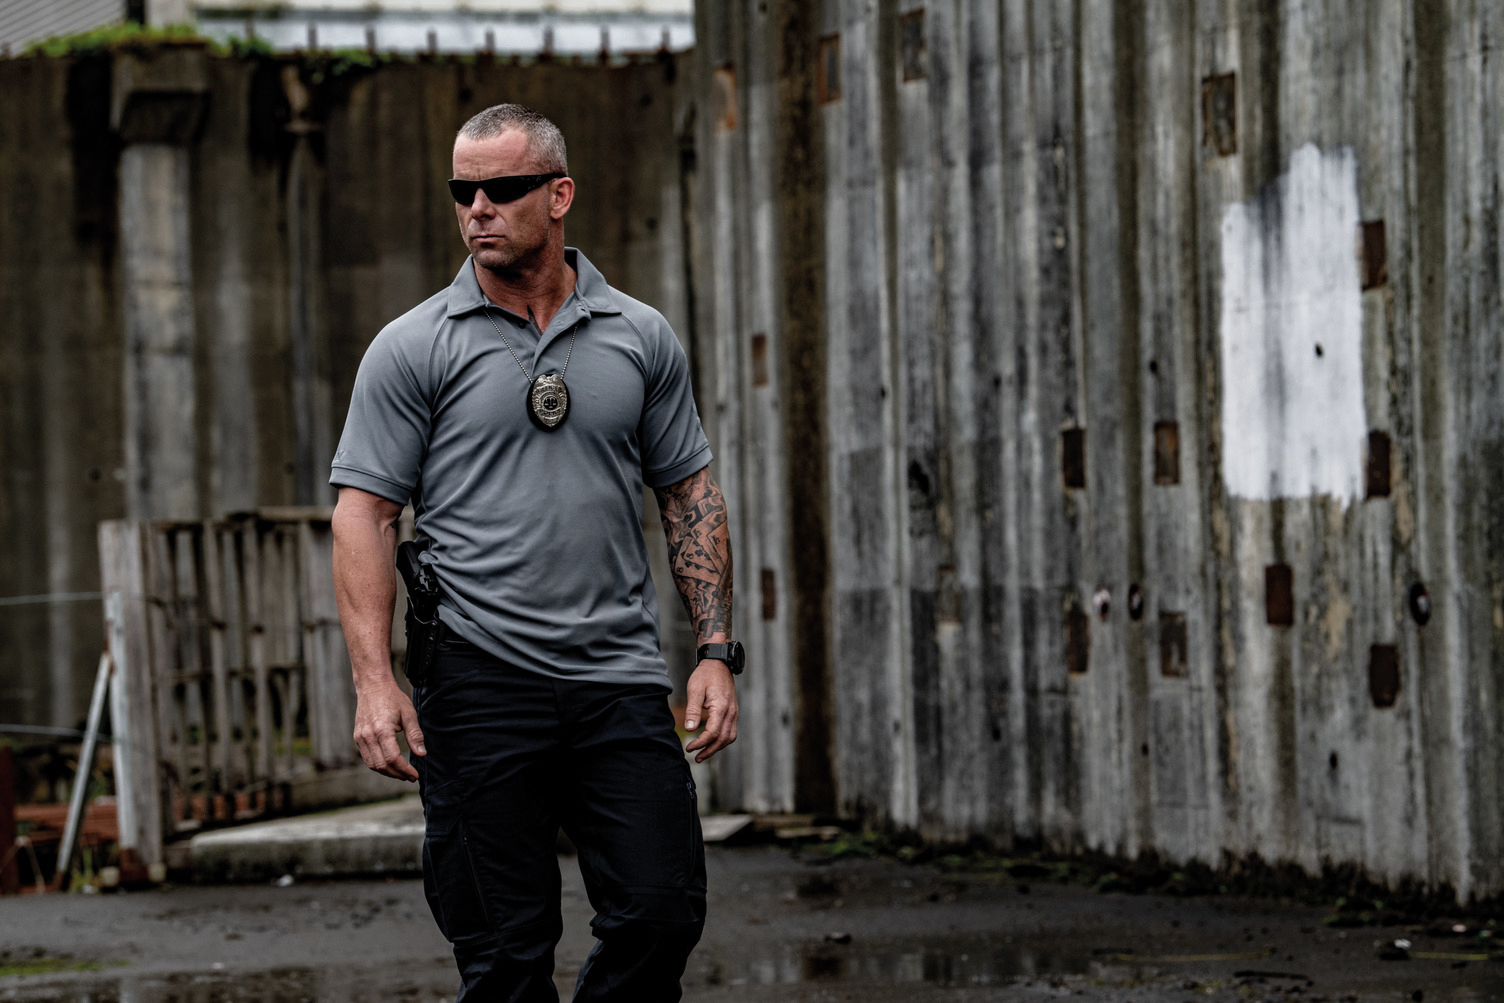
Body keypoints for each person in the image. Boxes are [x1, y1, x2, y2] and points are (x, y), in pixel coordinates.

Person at [329, 103, 742, 1001]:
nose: (478, 208)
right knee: (505, 958)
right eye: (463, 191)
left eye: (504, 188)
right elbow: (365, 513)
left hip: (617, 677)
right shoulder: (412, 347)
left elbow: (689, 494)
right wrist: (373, 679)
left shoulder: (639, 335)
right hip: (477, 681)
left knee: (661, 913)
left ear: (559, 195)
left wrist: (715, 650)